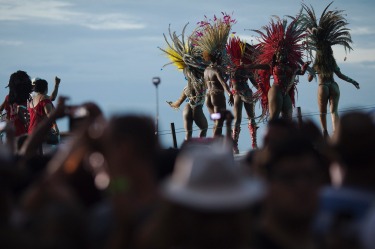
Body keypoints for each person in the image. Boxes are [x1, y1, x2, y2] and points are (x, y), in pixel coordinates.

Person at [301, 2, 360, 138]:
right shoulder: (331, 61)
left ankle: (325, 133)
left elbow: (310, 79)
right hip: (334, 85)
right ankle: (337, 133)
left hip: (323, 87)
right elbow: (340, 75)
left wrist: (308, 70)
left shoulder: (317, 63)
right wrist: (353, 81)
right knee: (334, 111)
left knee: (323, 112)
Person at [249, 16, 311, 122]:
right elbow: (258, 66)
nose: (282, 55)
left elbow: (300, 72)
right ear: (276, 55)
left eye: (284, 53)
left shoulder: (290, 66)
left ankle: (286, 138)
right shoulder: (272, 65)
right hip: (276, 91)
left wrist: (304, 67)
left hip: (285, 92)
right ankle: (272, 137)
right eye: (280, 53)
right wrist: (247, 66)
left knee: (288, 118)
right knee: (275, 118)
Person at [160, 23, 208, 141]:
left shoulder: (186, 89)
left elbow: (178, 102)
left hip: (187, 108)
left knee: (188, 135)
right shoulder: (202, 83)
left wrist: (172, 104)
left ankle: (187, 151)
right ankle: (199, 148)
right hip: (197, 109)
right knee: (204, 128)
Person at [193, 13, 234, 137]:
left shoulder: (206, 70)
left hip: (208, 99)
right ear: (218, 56)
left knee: (216, 122)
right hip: (217, 97)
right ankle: (215, 146)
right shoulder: (216, 70)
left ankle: (213, 144)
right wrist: (230, 94)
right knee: (219, 123)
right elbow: (223, 83)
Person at [226, 37, 260, 152]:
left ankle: (252, 144)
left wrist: (262, 90)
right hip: (238, 93)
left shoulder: (244, 67)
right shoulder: (232, 67)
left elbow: (253, 81)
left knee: (250, 117)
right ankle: (236, 145)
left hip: (244, 93)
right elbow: (230, 81)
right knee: (239, 119)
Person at [0, 70, 33, 137]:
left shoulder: (8, 98)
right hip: (26, 130)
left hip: (12, 130)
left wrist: (6, 120)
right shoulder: (29, 98)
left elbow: (2, 111)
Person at [27, 78, 59, 145]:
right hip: (42, 132)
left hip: (31, 132)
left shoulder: (31, 101)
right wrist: (55, 127)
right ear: (46, 88)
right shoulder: (45, 99)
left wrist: (56, 85)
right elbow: (49, 115)